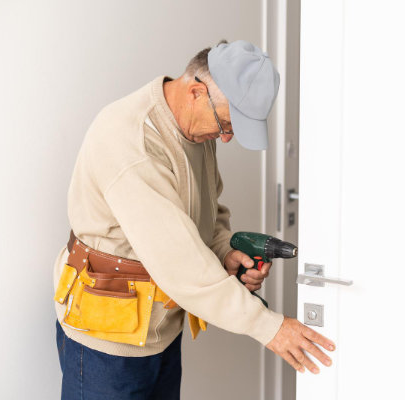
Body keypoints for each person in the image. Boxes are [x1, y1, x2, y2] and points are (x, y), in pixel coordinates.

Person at [53, 39, 335, 399]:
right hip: (105, 341)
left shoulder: (196, 129)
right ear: (197, 92)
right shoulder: (132, 141)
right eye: (226, 125)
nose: (227, 138)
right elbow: (178, 261)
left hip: (157, 328)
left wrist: (223, 250)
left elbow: (206, 208)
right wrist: (269, 327)